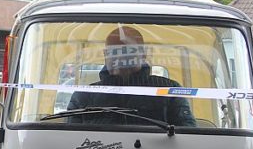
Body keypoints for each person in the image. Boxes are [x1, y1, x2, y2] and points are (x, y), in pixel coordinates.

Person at [66, 25, 196, 127]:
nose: (121, 57)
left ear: (143, 54)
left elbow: (188, 136)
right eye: (115, 52)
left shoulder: (169, 91)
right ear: (106, 55)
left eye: (128, 51)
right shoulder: (83, 96)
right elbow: (71, 142)